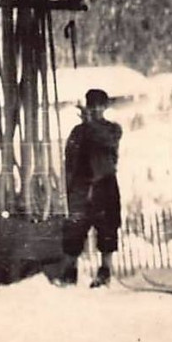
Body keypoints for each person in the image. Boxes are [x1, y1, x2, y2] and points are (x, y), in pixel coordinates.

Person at [62, 89, 123, 287]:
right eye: (92, 105)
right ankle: (70, 273)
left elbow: (106, 140)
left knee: (107, 228)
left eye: (99, 105)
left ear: (106, 107)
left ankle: (105, 272)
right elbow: (70, 160)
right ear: (87, 107)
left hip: (105, 184)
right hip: (81, 186)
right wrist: (71, 188)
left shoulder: (112, 129)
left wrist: (89, 123)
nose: (96, 109)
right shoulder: (77, 132)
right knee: (75, 229)